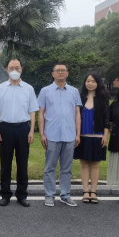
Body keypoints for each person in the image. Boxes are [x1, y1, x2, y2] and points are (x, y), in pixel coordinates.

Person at [0, 58, 39, 207]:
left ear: (21, 69)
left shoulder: (29, 89)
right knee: (5, 164)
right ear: (7, 69)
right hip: (5, 129)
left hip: (23, 129)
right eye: (11, 68)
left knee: (22, 163)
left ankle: (22, 194)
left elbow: (32, 112)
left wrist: (31, 131)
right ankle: (5, 194)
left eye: (17, 68)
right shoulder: (0, 88)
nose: (14, 70)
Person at [38, 63, 82, 208]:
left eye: (63, 70)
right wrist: (42, 134)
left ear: (67, 73)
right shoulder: (45, 91)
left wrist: (78, 134)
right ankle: (49, 195)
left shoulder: (74, 91)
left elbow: (77, 114)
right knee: (49, 168)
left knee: (66, 168)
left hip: (70, 135)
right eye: (58, 70)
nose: (60, 73)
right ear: (53, 74)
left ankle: (65, 195)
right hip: (51, 135)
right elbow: (41, 113)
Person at [74, 73, 110, 204]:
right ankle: (85, 191)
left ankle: (93, 191)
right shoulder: (80, 97)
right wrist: (76, 134)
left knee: (95, 164)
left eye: (93, 81)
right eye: (88, 81)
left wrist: (105, 135)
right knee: (83, 164)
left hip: (98, 135)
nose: (90, 83)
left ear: (98, 83)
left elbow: (107, 118)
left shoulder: (103, 98)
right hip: (82, 136)